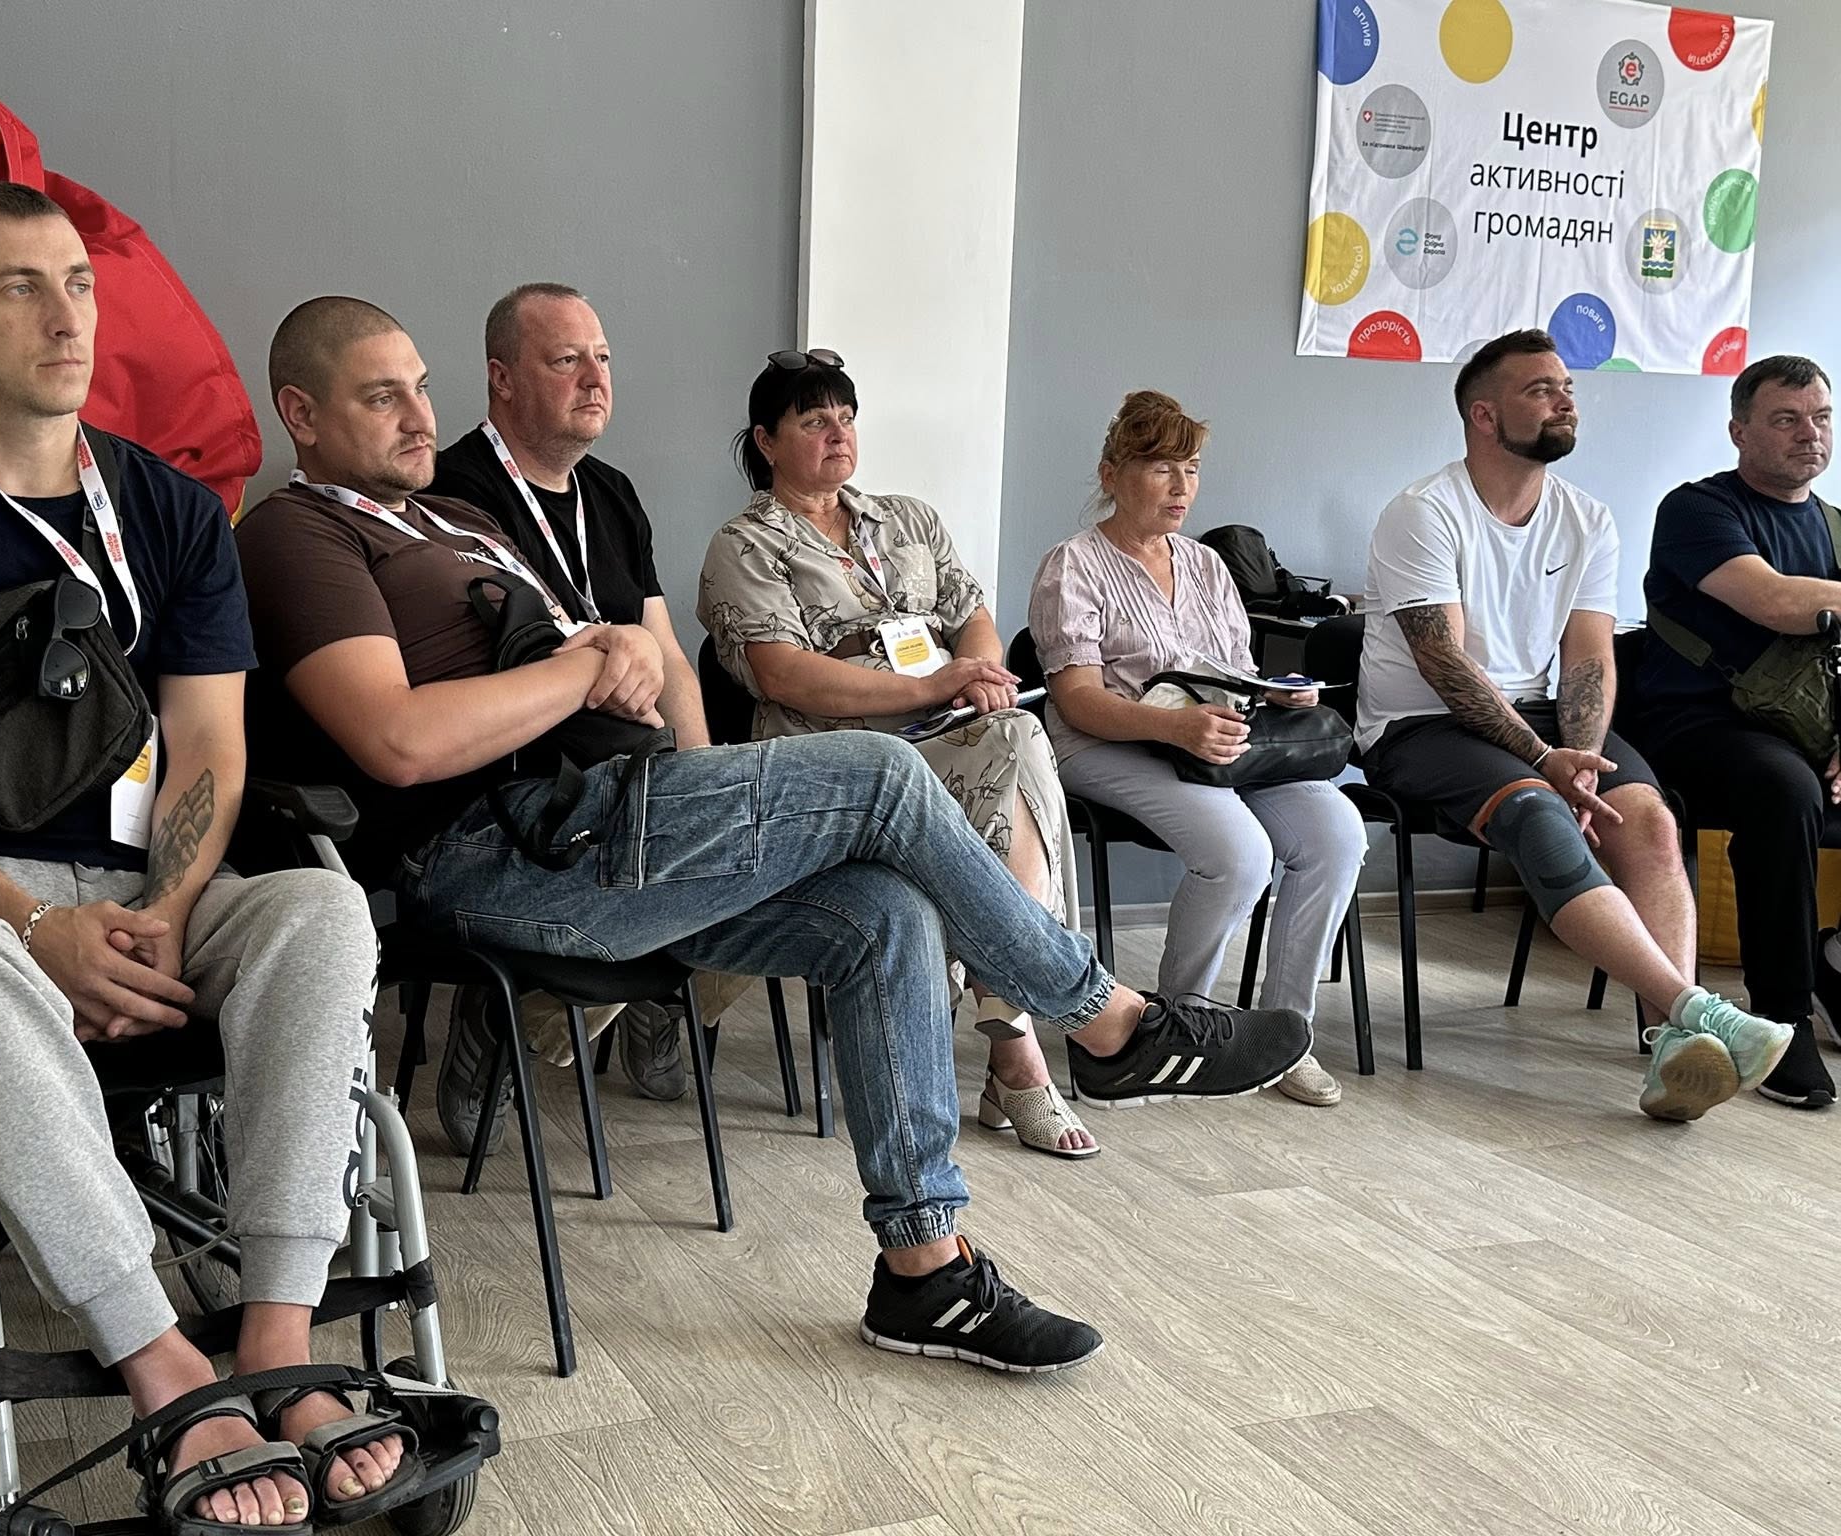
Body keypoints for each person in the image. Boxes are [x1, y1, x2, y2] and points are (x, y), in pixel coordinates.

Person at [234, 296, 1314, 1372]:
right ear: (302, 414)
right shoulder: (299, 533)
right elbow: (399, 741)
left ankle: (925, 1271)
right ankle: (1108, 1021)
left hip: (610, 808)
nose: (419, 415)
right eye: (382, 396)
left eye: (421, 388)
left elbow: (622, 653)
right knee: (883, 775)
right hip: (495, 847)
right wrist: (591, 665)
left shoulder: (454, 523)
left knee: (885, 914)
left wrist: (620, 673)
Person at [0, 184, 402, 1530]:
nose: (68, 315)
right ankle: (161, 1360)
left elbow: (211, 746)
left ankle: (278, 1335)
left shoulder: (170, 511)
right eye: (19, 287)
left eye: (77, 281)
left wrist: (168, 909)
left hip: (148, 882)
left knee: (321, 909)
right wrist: (32, 928)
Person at [1357, 328, 1792, 1122]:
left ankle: (1671, 1046)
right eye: (1541, 390)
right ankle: (1699, 1012)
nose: (1566, 401)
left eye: (1567, 388)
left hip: (1542, 721)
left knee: (1649, 821)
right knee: (1539, 812)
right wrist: (1543, 759)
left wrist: (1582, 759)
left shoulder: (1587, 517)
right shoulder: (1422, 513)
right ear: (1484, 416)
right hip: (1420, 727)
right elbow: (1444, 664)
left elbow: (1589, 657)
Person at [698, 351, 1096, 1159]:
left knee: (1018, 734)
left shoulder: (907, 519)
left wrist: (974, 674)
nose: (838, 435)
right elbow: (782, 675)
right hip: (830, 761)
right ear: (766, 441)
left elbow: (972, 615)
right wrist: (930, 684)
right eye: (815, 421)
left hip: (942, 737)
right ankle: (1017, 1050)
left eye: (846, 418)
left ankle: (1006, 1018)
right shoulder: (745, 544)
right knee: (1007, 764)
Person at [1029, 390, 1366, 1107]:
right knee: (1240, 854)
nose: (1181, 486)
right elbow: (1077, 700)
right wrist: (1174, 728)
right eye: (1161, 468)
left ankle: (1287, 1033)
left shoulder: (1209, 566)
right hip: (1105, 743)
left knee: (1339, 834)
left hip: (1212, 743)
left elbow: (1233, 675)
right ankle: (1177, 1032)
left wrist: (1275, 695)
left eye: (1191, 468)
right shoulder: (1074, 565)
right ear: (1112, 474)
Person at [429, 282, 715, 1115]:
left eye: (603, 358)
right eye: (566, 360)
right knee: (708, 848)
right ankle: (525, 1011)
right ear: (501, 378)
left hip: (641, 764)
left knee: (761, 839)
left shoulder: (613, 493)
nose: (595, 379)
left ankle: (561, 1010)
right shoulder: (451, 493)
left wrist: (707, 775)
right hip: (529, 780)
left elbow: (666, 651)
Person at [1633, 355, 1840, 1108]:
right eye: (1786, 419)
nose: (1809, 434)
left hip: (1807, 729)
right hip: (1696, 725)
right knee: (1783, 789)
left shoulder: (1836, 529)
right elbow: (1776, 601)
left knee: (1798, 776)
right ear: (1739, 431)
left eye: (1821, 418)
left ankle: (1832, 961)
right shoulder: (1697, 510)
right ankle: (1782, 1017)